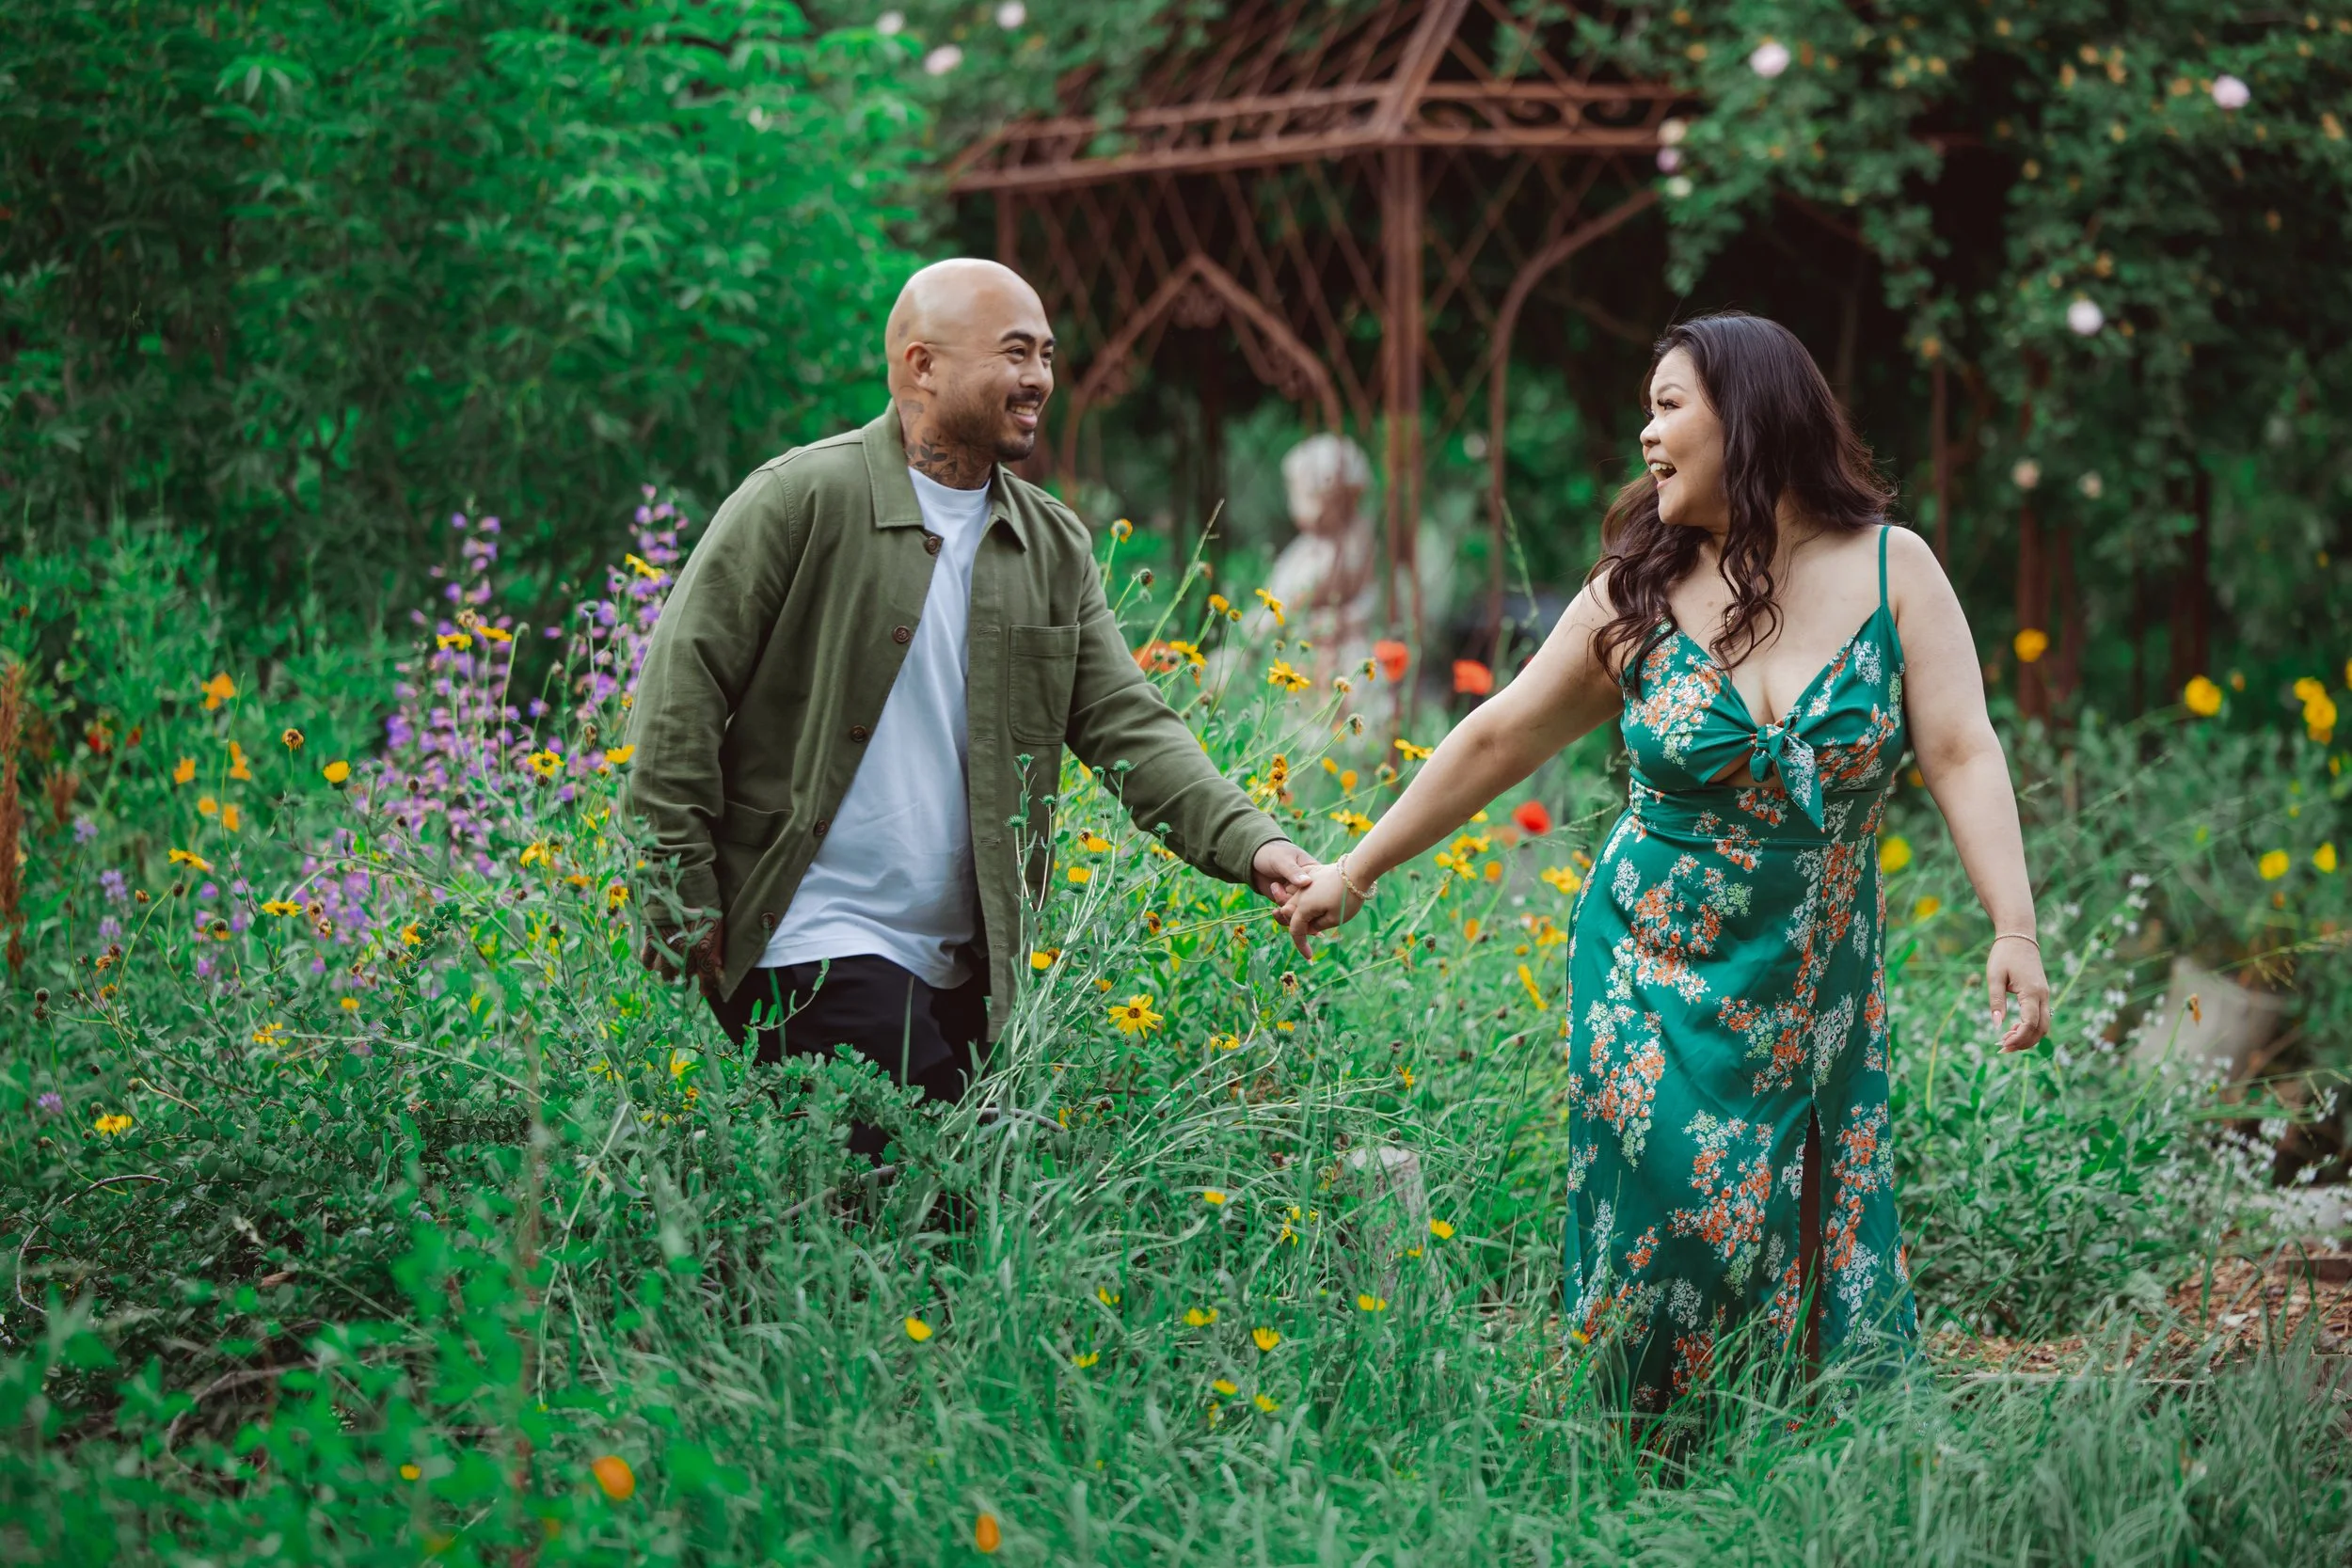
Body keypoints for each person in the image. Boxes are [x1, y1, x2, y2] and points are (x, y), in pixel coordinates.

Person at [1279, 312, 2050, 1409]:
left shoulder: (1894, 569)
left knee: (1803, 1198)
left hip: (1812, 980)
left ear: (1748, 417)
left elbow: (1963, 748)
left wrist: (2010, 926)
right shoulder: (1635, 592)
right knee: (1678, 1212)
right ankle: (1647, 1435)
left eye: (1668, 405)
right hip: (1650, 965)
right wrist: (1354, 871)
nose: (1646, 434)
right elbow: (1501, 735)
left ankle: (1803, 1425)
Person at [628, 258, 1320, 1158]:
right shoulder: (799, 500)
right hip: (805, 930)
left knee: (902, 1234)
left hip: (962, 964)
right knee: (944, 1183)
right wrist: (677, 893)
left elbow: (1127, 724)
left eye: (1047, 355)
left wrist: (1254, 842)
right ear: (923, 365)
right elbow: (680, 694)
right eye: (1015, 353)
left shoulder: (1049, 543)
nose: (1040, 379)